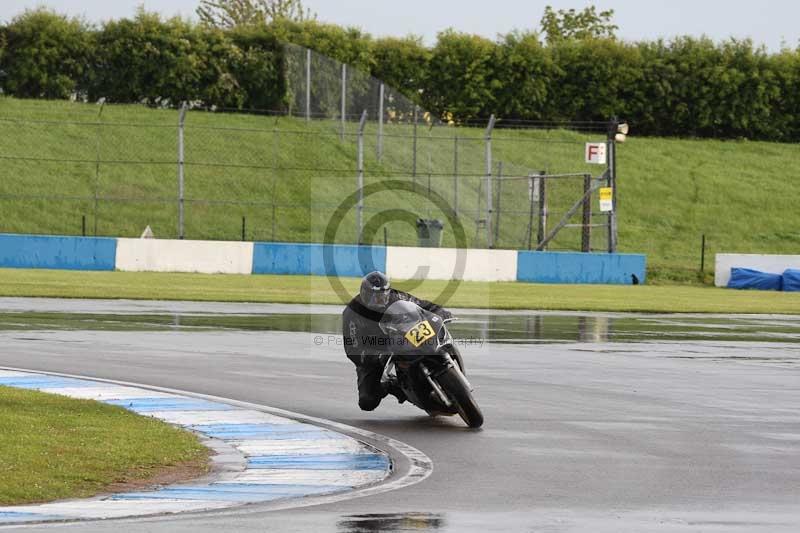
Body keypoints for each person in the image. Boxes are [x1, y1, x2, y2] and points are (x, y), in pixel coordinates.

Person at [342, 271, 453, 411]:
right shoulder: (352, 313)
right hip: (374, 350)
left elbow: (421, 305)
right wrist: (373, 356)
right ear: (365, 295)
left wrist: (440, 312)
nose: (381, 300)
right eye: (375, 298)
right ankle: (393, 385)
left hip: (402, 337)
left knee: (429, 342)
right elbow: (352, 349)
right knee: (367, 401)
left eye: (383, 296)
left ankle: (439, 363)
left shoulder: (396, 296)